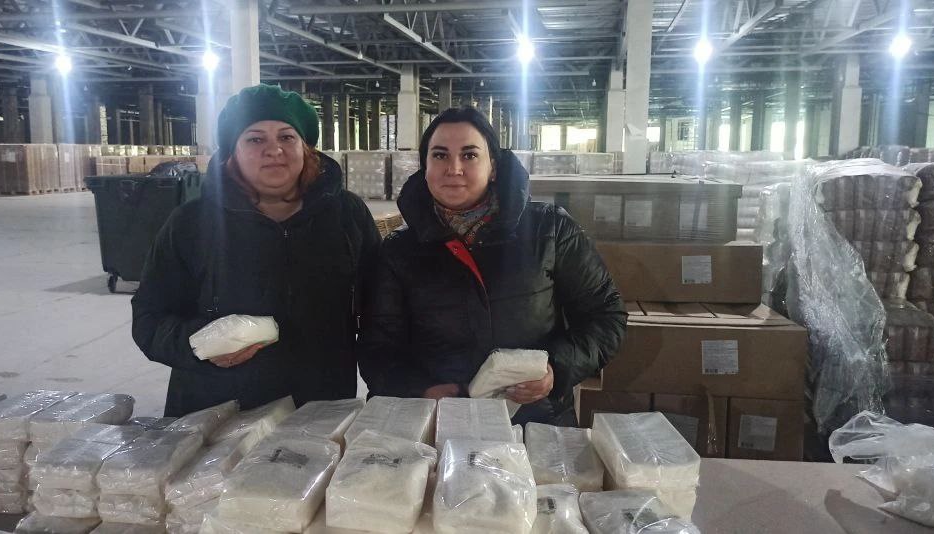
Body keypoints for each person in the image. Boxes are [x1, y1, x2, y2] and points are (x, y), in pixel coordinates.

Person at [358, 107, 627, 425]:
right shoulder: (398, 252)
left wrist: (557, 369)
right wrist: (422, 390)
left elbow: (605, 316)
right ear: (425, 167)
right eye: (440, 155)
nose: (454, 169)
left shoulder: (550, 231)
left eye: (469, 155)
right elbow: (378, 348)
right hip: (442, 423)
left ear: (494, 167)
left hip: (536, 422)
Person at [132, 84, 380, 417]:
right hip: (215, 412)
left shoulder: (347, 215)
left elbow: (381, 310)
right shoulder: (190, 223)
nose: (274, 150)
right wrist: (197, 344)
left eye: (287, 137)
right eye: (255, 139)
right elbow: (149, 318)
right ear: (232, 153)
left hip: (318, 412)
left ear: (306, 148)